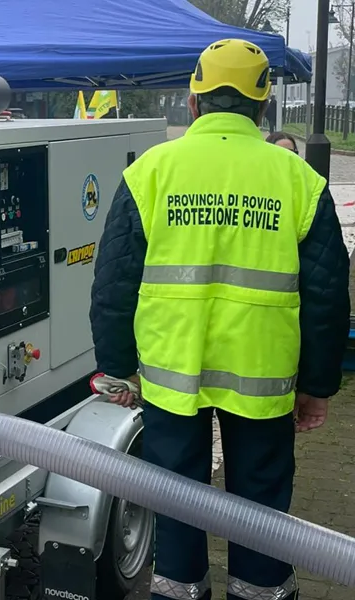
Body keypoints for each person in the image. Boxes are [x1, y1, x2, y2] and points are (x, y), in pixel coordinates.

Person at [89, 38, 350, 600]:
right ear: (264, 106)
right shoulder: (300, 180)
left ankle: (179, 590)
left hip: (171, 375)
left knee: (175, 497)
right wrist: (318, 386)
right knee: (260, 505)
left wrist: (118, 369)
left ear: (193, 102)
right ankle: (259, 592)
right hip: (263, 378)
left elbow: (113, 285)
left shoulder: (150, 172)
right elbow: (328, 298)